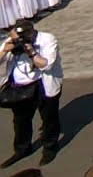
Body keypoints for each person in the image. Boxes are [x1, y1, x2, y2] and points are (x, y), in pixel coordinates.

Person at [0, 20, 62, 167]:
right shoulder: (11, 41)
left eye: (18, 39)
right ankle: (22, 149)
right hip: (19, 87)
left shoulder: (47, 40)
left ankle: (50, 147)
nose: (15, 41)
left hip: (42, 85)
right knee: (20, 120)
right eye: (13, 38)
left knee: (49, 118)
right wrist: (4, 51)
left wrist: (32, 52)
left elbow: (47, 65)